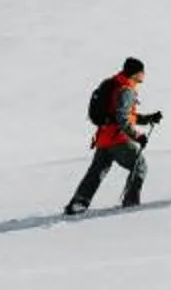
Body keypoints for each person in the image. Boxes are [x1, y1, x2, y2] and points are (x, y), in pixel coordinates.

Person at [66, 57, 162, 215]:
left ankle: (78, 203)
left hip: (103, 137)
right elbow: (122, 119)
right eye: (142, 71)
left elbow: (120, 115)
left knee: (96, 172)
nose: (144, 74)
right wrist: (137, 136)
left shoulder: (114, 84)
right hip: (118, 139)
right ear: (135, 73)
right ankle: (130, 202)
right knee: (139, 166)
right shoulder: (126, 90)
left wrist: (148, 118)